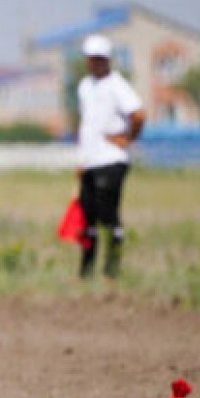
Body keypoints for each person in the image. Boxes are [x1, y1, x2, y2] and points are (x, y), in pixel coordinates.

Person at [74, 34, 146, 279]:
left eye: (99, 59)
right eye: (91, 58)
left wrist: (128, 138)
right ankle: (86, 272)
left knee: (108, 216)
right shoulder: (84, 87)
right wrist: (83, 160)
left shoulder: (117, 85)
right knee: (86, 219)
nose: (95, 63)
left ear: (107, 60)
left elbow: (138, 113)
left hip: (112, 160)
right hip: (91, 162)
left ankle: (112, 269)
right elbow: (88, 125)